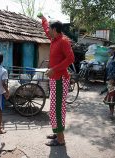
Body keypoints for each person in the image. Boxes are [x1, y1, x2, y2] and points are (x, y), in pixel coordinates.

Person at [38, 13, 75, 146]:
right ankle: (57, 132)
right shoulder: (54, 39)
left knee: (57, 108)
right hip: (55, 78)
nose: (48, 31)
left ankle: (60, 139)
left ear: (55, 30)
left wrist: (54, 69)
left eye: (50, 29)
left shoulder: (64, 41)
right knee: (54, 107)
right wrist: (43, 20)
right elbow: (46, 28)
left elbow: (71, 59)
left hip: (60, 79)